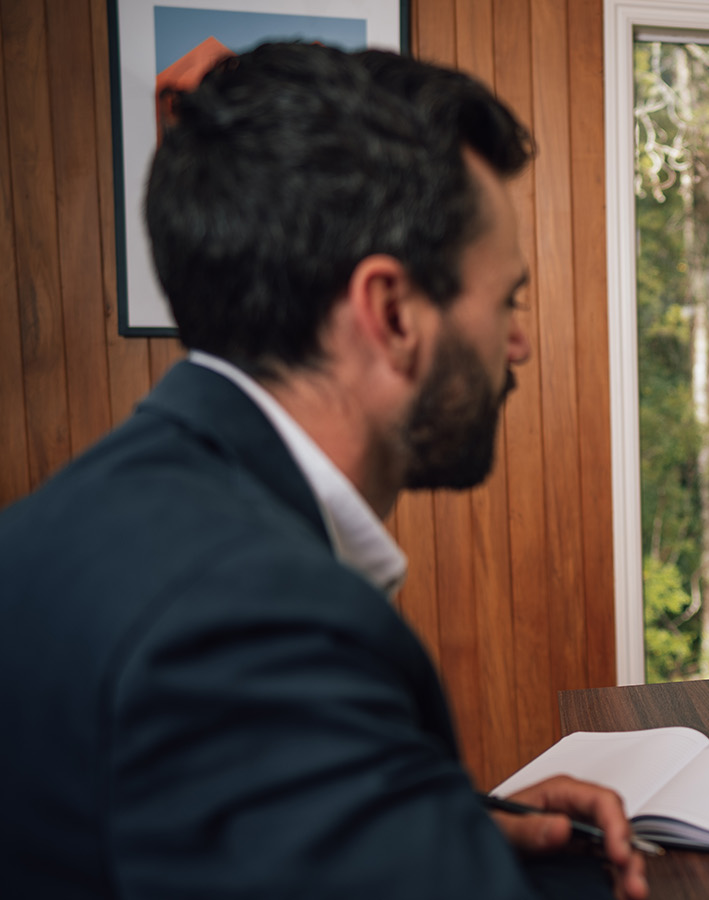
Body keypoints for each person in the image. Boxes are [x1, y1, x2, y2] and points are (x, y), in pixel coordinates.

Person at [0, 43, 647, 899]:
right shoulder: (253, 624)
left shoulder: (101, 510)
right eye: (506, 302)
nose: (518, 342)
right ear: (389, 313)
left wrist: (440, 822)